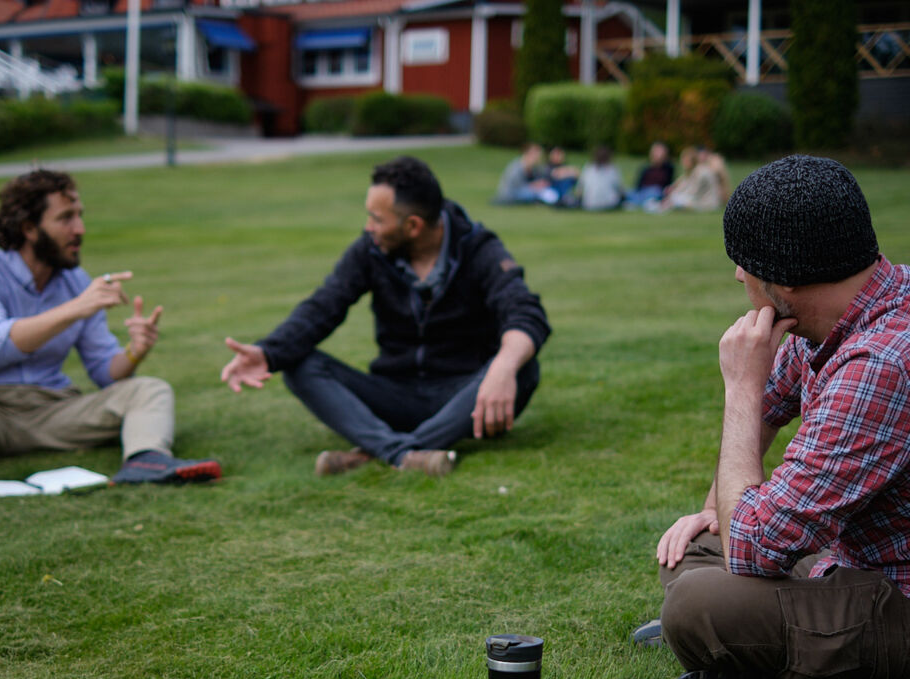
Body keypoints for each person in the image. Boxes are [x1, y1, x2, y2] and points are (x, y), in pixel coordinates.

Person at [638, 155, 910, 679]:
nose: (738, 276)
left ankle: (759, 655)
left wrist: (738, 389)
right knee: (696, 544)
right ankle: (751, 638)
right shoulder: (867, 303)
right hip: (878, 565)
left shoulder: (885, 363)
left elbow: (752, 547)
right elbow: (769, 413)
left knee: (697, 605)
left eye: (744, 263)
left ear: (784, 279)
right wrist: (715, 510)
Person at [0, 169, 220, 517]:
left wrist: (134, 351)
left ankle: (146, 460)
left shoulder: (75, 281)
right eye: (65, 218)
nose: (79, 229)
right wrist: (77, 307)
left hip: (53, 414)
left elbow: (106, 373)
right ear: (28, 228)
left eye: (80, 216)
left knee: (151, 388)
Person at [220, 156, 550, 477]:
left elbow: (524, 311)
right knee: (299, 364)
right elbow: (324, 305)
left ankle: (378, 451)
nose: (369, 227)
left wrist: (502, 369)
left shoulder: (478, 249)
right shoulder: (370, 250)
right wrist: (268, 352)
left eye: (377, 219)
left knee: (523, 368)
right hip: (394, 394)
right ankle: (404, 453)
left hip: (462, 395)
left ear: (413, 226)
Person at [653, 147, 727, 213]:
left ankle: (660, 208)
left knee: (676, 198)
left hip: (707, 204)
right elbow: (682, 185)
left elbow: (692, 193)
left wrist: (674, 196)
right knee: (675, 197)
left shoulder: (701, 172)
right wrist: (673, 190)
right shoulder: (693, 172)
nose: (683, 163)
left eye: (685, 160)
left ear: (692, 160)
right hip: (699, 201)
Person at [625, 141, 674, 208]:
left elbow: (669, 185)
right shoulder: (645, 168)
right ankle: (638, 202)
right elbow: (637, 185)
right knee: (629, 192)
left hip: (656, 192)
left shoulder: (669, 168)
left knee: (654, 191)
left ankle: (638, 203)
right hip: (642, 192)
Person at [575, 145, 625, 211]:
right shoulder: (613, 169)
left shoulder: (588, 168)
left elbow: (579, 190)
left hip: (589, 204)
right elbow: (620, 189)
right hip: (610, 204)